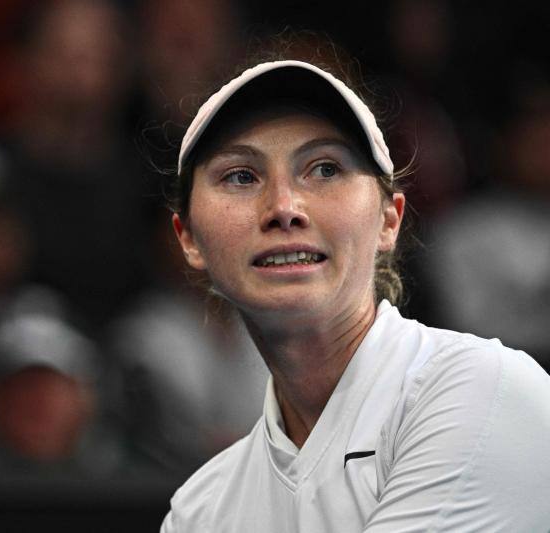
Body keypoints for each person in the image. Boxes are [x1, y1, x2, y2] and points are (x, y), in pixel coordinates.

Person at [159, 46, 550, 531]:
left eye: (325, 168)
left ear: (390, 221)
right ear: (189, 239)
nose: (283, 206)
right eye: (240, 176)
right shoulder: (200, 509)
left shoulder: (485, 390)